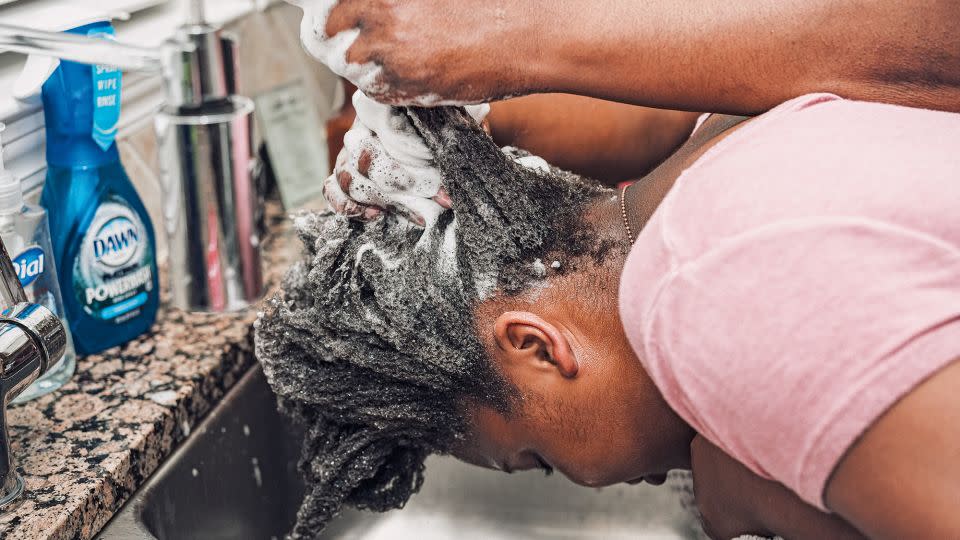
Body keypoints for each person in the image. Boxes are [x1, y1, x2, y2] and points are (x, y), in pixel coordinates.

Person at [267, 2, 960, 538]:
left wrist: (759, 498)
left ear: (535, 344)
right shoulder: (708, 155)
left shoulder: (705, 292)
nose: (605, 484)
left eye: (538, 458)